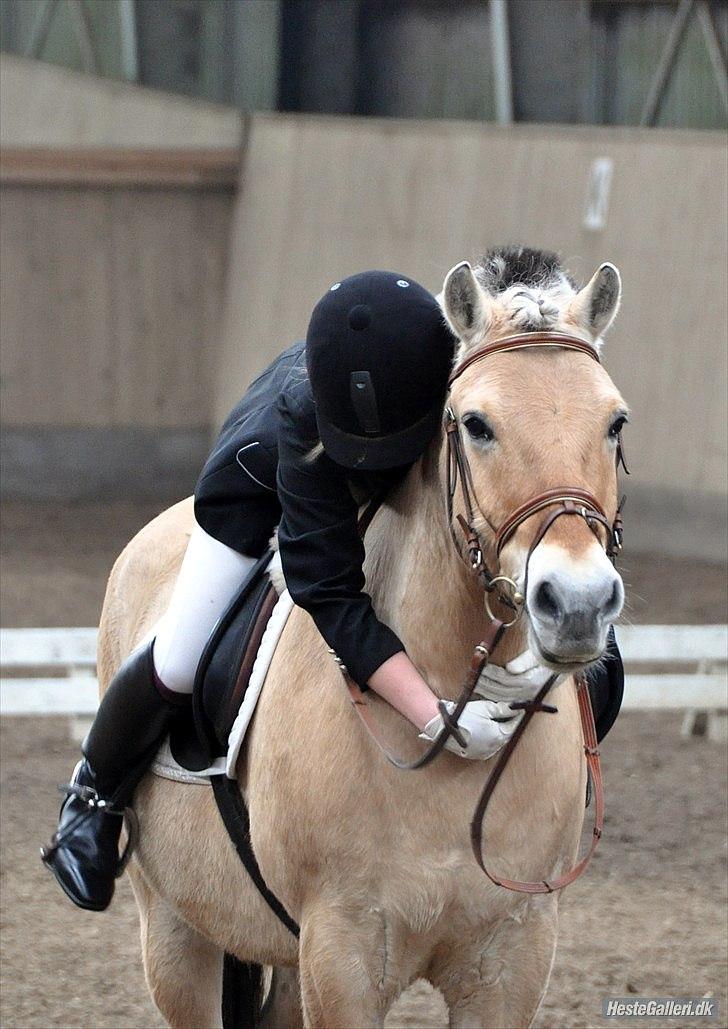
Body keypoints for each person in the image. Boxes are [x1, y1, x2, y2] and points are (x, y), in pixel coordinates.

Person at [42, 270, 622, 912]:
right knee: (181, 656)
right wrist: (434, 717)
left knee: (596, 656)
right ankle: (91, 798)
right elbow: (329, 588)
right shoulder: (298, 412)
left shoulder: (464, 376)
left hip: (422, 449)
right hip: (268, 481)